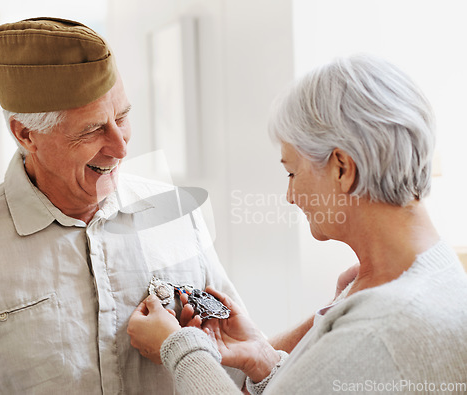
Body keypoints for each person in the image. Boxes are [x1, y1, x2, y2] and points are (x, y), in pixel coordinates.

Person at [127, 55, 467, 394]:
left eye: (292, 172)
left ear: (342, 169)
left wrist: (180, 348)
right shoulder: (430, 274)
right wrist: (264, 360)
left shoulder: (376, 328)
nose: (290, 196)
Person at [0, 17, 249, 394]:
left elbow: (242, 367)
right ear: (26, 134)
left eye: (122, 117)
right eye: (92, 129)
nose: (121, 146)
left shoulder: (178, 214)